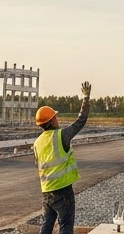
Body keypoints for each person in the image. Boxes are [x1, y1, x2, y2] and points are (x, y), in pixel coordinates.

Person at [33, 81, 91, 234]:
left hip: (46, 191)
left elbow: (38, 164)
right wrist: (86, 98)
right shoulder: (61, 135)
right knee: (65, 225)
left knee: (46, 225)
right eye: (55, 117)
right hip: (62, 190)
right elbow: (80, 121)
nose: (57, 119)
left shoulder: (37, 142)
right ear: (51, 121)